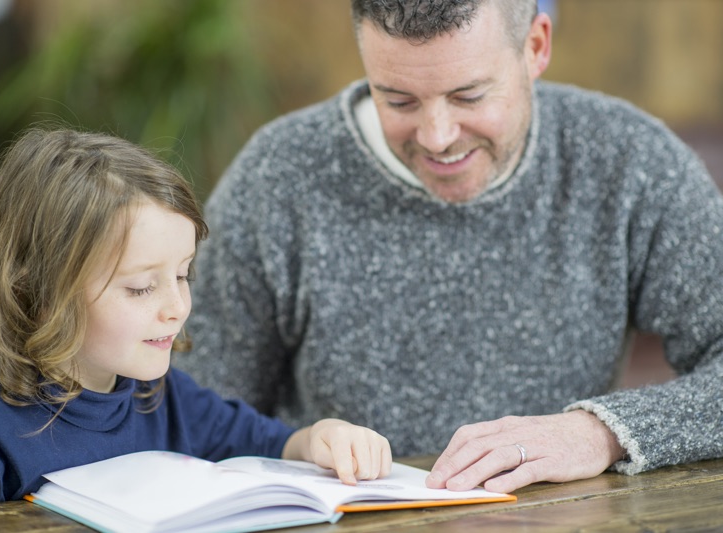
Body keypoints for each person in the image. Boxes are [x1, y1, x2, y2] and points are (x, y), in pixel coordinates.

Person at [176, 0, 723, 495]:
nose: (437, 137)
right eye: (398, 99)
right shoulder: (278, 178)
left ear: (535, 46)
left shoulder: (630, 163)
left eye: (469, 96)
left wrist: (598, 432)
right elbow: (189, 413)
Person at [0, 127, 391, 510]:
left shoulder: (168, 401)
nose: (176, 307)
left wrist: (324, 437)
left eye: (183, 275)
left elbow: (280, 444)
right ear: (40, 292)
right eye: (141, 287)